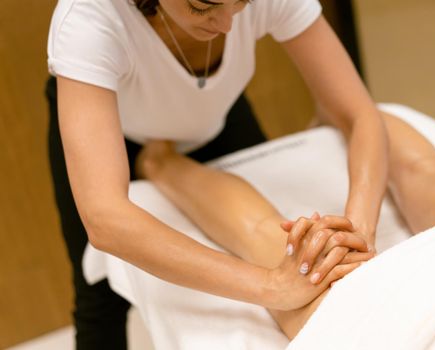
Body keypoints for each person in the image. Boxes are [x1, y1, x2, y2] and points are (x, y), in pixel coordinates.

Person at [46, 0, 387, 348]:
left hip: (211, 113)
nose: (226, 25)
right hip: (115, 127)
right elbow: (105, 218)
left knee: (261, 228)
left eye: (242, 2)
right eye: (201, 6)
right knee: (99, 302)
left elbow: (359, 114)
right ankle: (155, 161)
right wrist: (270, 286)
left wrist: (358, 232)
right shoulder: (89, 19)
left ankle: (160, 161)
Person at [135, 111, 435, 339]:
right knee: (424, 174)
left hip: (400, 331)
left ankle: (158, 163)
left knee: (270, 235)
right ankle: (339, 112)